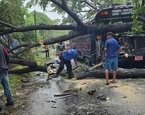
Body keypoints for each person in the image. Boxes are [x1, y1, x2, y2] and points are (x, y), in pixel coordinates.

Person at [0, 44, 14, 111]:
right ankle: (10, 101)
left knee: (6, 86)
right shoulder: (1, 46)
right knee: (7, 86)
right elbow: (7, 56)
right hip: (4, 69)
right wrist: (6, 64)